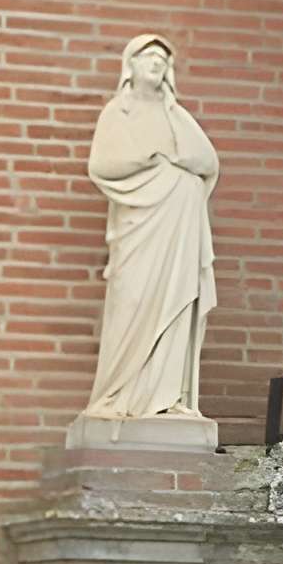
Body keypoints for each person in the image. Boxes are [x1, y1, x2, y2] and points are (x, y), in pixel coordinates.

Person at [80, 34, 220, 420]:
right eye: (148, 58)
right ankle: (117, 393)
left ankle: (168, 398)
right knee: (133, 303)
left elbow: (207, 161)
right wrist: (154, 161)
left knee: (175, 306)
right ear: (131, 65)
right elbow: (103, 166)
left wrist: (174, 163)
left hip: (177, 233)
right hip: (138, 231)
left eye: (162, 60)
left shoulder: (176, 115)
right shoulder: (117, 113)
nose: (156, 64)